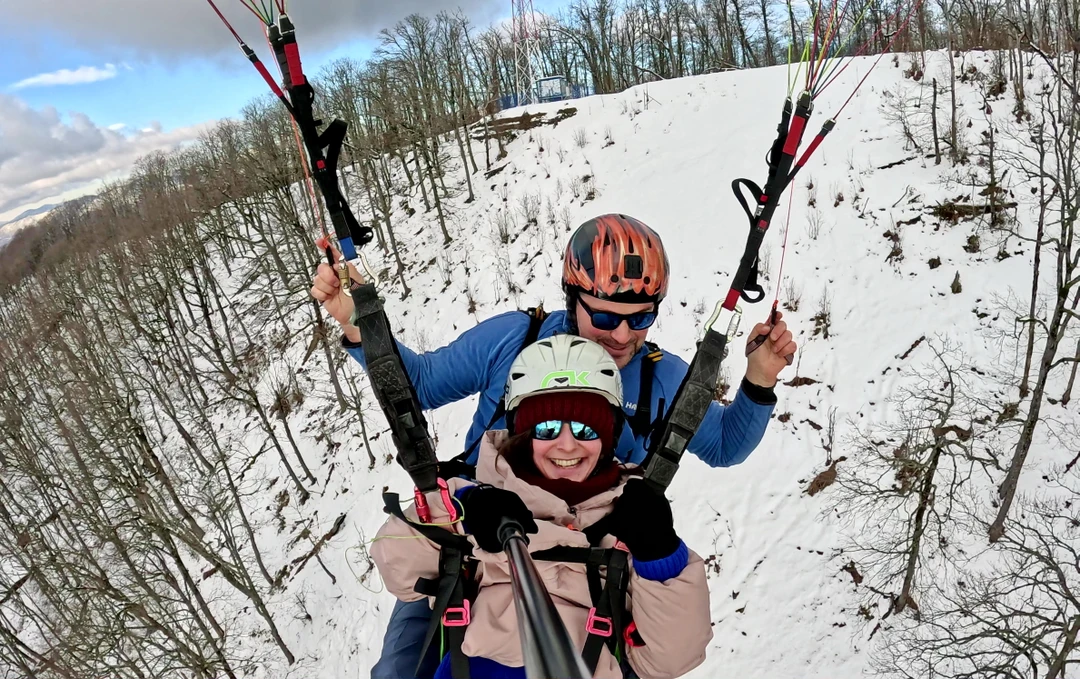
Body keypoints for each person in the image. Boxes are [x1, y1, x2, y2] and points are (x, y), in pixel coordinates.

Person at [311, 213, 795, 678]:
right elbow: (420, 385)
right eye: (604, 315)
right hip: (474, 540)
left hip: (589, 565)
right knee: (400, 670)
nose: (621, 335)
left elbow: (724, 445)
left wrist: (759, 379)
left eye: (641, 318)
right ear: (572, 298)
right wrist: (358, 322)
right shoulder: (514, 339)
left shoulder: (659, 377)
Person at [370, 335, 712, 679]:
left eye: (585, 429)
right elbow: (397, 567)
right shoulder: (477, 496)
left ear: (609, 436)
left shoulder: (630, 520)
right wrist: (465, 515)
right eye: (546, 429)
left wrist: (661, 558)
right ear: (523, 434)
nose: (567, 445)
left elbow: (670, 660)